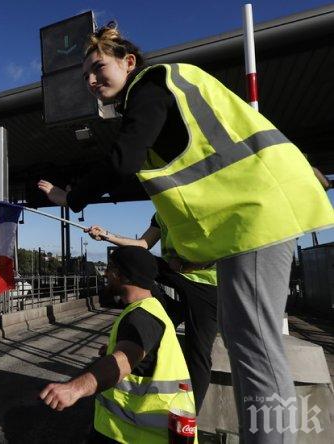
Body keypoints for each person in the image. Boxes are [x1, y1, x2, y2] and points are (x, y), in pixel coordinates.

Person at [38, 23, 334, 442]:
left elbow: (123, 161)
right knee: (243, 339)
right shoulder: (165, 94)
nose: (89, 80)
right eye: (84, 73)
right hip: (246, 220)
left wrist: (72, 196)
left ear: (129, 62)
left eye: (98, 67)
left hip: (258, 214)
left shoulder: (152, 87)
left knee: (254, 347)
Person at [40, 246, 194, 443]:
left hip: (136, 436)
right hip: (131, 432)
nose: (105, 273)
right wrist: (114, 349)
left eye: (111, 268)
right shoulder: (151, 307)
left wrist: (73, 389)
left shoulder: (141, 316)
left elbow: (122, 362)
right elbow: (138, 354)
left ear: (126, 276)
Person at [86, 214, 216, 412]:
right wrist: (106, 236)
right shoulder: (161, 212)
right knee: (138, 261)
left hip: (206, 285)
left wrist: (185, 265)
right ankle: (158, 322)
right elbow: (143, 244)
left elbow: (225, 247)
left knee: (198, 353)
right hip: (176, 274)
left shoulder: (203, 202)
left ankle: (190, 415)